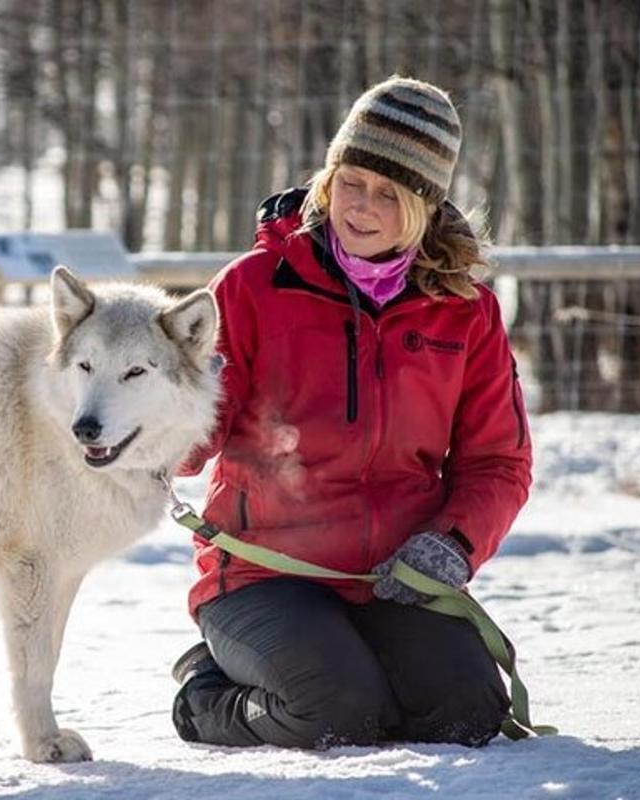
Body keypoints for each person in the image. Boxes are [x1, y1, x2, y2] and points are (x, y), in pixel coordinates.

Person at [170, 75, 532, 750]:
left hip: (393, 576)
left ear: (425, 206)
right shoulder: (252, 287)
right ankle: (207, 694)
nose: (360, 207)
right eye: (351, 181)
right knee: (338, 714)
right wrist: (155, 431)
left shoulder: (466, 311)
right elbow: (194, 430)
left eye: (389, 194)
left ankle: (343, 664)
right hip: (264, 573)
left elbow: (498, 462)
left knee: (469, 714)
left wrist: (450, 544)